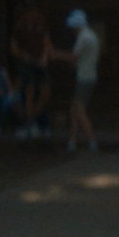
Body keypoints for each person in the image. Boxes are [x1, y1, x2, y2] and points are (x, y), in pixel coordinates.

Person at [49, 8, 100, 151]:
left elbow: (73, 57)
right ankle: (72, 140)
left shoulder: (84, 37)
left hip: (85, 77)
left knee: (79, 108)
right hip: (88, 75)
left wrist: (56, 54)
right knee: (73, 109)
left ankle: (91, 140)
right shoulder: (91, 35)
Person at [9, 6, 53, 137]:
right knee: (29, 93)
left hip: (40, 63)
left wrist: (45, 56)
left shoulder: (41, 24)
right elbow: (13, 47)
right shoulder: (20, 26)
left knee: (45, 93)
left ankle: (33, 118)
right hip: (26, 63)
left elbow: (47, 42)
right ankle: (29, 123)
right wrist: (23, 55)